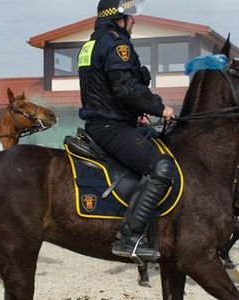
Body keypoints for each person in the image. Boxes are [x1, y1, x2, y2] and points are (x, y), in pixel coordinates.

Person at [78, 0, 175, 260]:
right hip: (111, 127)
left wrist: (136, 114)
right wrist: (160, 108)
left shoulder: (92, 43)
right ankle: (129, 237)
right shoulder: (116, 44)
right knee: (161, 167)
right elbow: (124, 88)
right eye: (130, 16)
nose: (134, 20)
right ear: (117, 18)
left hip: (106, 121)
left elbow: (105, 90)